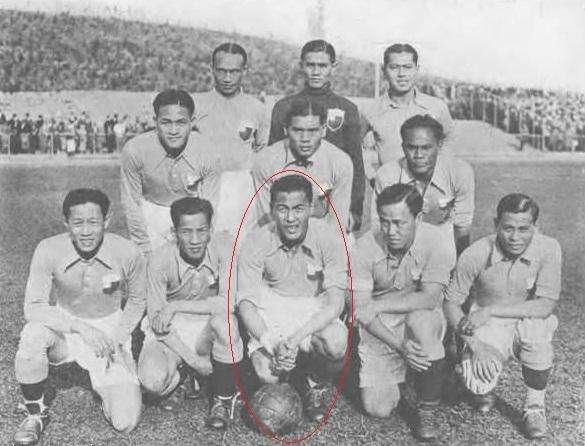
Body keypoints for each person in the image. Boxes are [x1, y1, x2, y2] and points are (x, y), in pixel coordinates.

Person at [12, 189, 145, 445]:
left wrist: (118, 338)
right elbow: (34, 307)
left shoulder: (127, 251)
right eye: (78, 223)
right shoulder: (48, 249)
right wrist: (80, 328)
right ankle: (35, 413)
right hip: (67, 329)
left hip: (110, 332)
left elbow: (138, 300)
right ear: (66, 223)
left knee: (126, 422)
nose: (85, 231)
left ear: (107, 220)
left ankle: (106, 382)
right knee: (33, 334)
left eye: (93, 222)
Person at [443, 193, 561, 440]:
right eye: (508, 228)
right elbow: (451, 303)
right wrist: (475, 346)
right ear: (496, 224)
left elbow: (545, 306)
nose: (515, 237)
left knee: (537, 330)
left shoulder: (549, 248)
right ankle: (480, 389)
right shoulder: (475, 253)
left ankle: (534, 408)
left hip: (523, 319)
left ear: (535, 227)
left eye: (523, 229)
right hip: (488, 325)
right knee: (478, 382)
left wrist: (491, 309)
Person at [237, 175, 348, 422]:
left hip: (313, 310)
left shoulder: (329, 238)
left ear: (311, 207)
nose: (290, 218)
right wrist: (271, 343)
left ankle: (314, 382)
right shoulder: (255, 240)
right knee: (266, 373)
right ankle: (288, 380)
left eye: (298, 209)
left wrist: (296, 339)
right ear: (271, 209)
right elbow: (246, 304)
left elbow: (335, 303)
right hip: (272, 309)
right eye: (282, 209)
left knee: (337, 342)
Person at [353, 184, 455, 441]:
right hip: (380, 327)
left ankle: (427, 406)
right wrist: (399, 346)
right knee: (378, 408)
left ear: (418, 218)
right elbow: (362, 310)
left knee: (422, 322)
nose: (390, 231)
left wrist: (379, 304)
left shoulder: (436, 240)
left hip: (418, 313)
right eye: (385, 222)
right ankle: (409, 370)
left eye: (399, 223)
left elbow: (430, 298)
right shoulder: (364, 246)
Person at [138, 197, 244, 430]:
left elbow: (228, 304)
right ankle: (185, 375)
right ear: (174, 232)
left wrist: (175, 306)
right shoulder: (159, 259)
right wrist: (194, 360)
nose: (195, 240)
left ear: (211, 229)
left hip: (207, 326)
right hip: (172, 331)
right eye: (186, 232)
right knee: (152, 382)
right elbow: (157, 321)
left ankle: (222, 397)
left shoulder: (224, 248)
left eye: (201, 230)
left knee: (226, 324)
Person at [269, 39, 365, 232]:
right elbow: (273, 159)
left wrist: (354, 210)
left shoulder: (347, 108)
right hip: (293, 197)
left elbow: (356, 163)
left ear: (333, 67)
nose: (316, 71)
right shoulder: (284, 107)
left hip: (332, 197)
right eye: (310, 65)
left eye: (322, 66)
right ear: (301, 66)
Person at [121, 89, 220, 255]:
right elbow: (132, 203)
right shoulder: (135, 150)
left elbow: (210, 206)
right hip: (151, 215)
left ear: (192, 122)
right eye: (166, 122)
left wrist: (201, 242)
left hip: (191, 215)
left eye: (181, 122)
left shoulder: (208, 152)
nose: (173, 131)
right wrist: (144, 247)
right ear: (155, 121)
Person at [193, 42, 269, 234]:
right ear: (212, 69)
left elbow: (262, 152)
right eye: (221, 71)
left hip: (241, 188)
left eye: (234, 71)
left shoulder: (257, 108)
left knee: (240, 244)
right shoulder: (196, 105)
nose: (227, 78)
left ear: (245, 70)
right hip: (202, 185)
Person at [374, 114, 474, 256]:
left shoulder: (460, 172)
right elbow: (380, 229)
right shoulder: (387, 175)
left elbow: (462, 229)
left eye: (426, 148)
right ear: (403, 147)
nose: (418, 155)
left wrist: (458, 265)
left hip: (443, 246)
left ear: (439, 145)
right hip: (400, 246)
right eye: (411, 147)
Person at [253, 98, 353, 232]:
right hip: (279, 233)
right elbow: (268, 222)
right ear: (286, 130)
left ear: (324, 130)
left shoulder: (340, 162)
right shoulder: (266, 161)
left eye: (312, 130)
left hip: (322, 234)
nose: (305, 138)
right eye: (298, 130)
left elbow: (337, 225)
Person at [363, 43, 454, 169]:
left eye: (407, 67)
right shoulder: (371, 110)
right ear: (384, 71)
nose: (401, 74)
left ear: (417, 69)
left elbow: (449, 140)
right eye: (394, 67)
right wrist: (372, 175)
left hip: (429, 181)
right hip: (390, 181)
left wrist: (440, 171)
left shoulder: (436, 107)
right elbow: (353, 146)